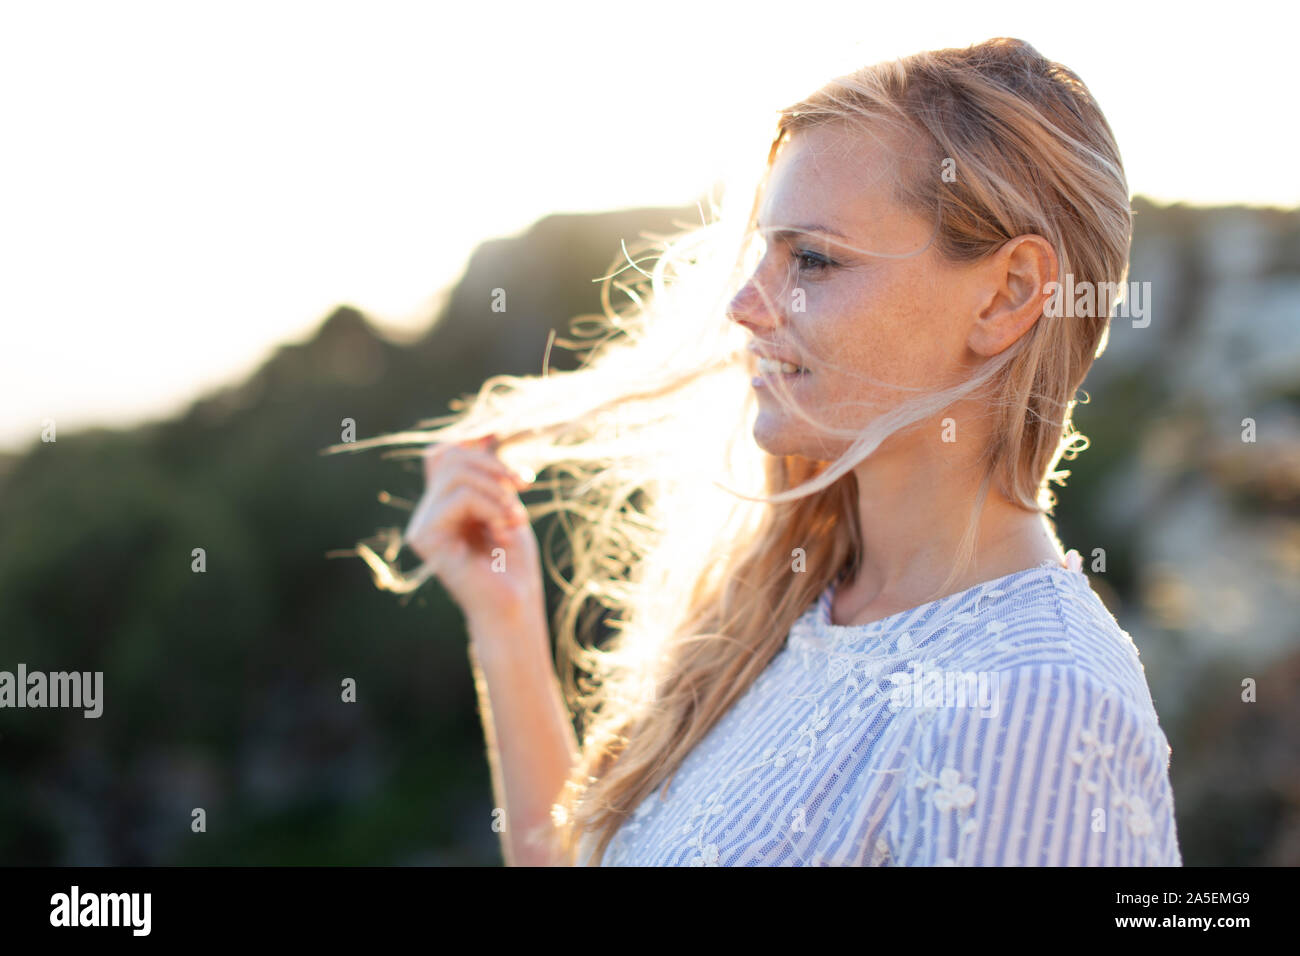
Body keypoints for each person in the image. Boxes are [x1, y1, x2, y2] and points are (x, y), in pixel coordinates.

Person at [347, 37, 1182, 866]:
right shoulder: (792, 609)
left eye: (812, 259)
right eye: (763, 254)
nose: (746, 305)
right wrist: (506, 622)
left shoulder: (1039, 701)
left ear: (1007, 295)